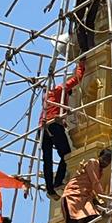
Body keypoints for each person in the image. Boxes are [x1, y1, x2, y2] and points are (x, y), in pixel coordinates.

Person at [40, 61, 85, 199]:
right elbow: (77, 78)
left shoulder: (48, 95)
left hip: (43, 127)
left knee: (47, 159)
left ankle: (50, 189)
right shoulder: (60, 90)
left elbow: (54, 110)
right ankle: (58, 182)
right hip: (53, 124)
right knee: (66, 154)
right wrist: (81, 64)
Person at [60, 148, 112, 223]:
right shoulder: (93, 163)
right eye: (105, 159)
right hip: (72, 197)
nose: (105, 163)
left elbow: (91, 189)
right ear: (100, 156)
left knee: (93, 217)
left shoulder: (100, 171)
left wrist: (99, 203)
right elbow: (94, 183)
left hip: (83, 199)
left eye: (108, 161)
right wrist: (106, 199)